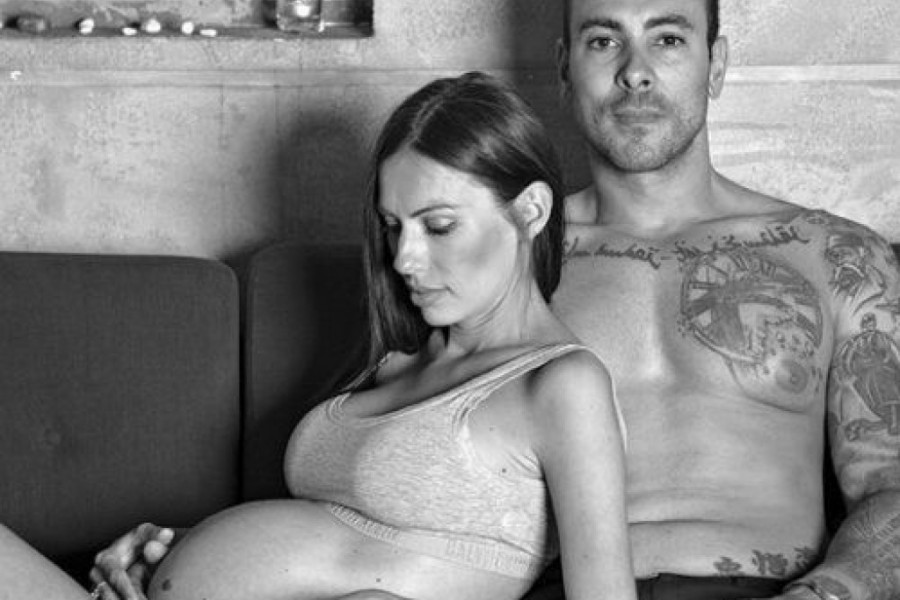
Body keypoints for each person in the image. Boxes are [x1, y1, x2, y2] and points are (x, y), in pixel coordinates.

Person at [0, 72, 635, 600]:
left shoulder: (561, 384)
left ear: (531, 210)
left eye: (439, 226)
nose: (404, 258)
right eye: (393, 226)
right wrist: (174, 550)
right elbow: (340, 545)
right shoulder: (395, 358)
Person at [527, 0, 900, 599]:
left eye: (668, 39)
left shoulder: (835, 257)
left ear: (716, 64)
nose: (635, 71)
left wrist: (827, 594)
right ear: (565, 69)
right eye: (603, 41)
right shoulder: (507, 259)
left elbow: (891, 489)